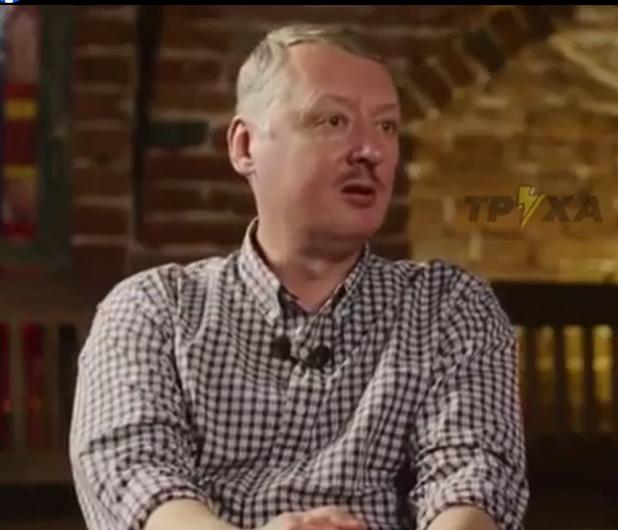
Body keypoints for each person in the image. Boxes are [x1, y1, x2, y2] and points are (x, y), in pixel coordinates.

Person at [69, 23, 529, 530]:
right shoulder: (154, 308)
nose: (371, 150)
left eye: (386, 126)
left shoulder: (449, 307)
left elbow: (473, 477)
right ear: (245, 145)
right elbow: (134, 472)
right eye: (333, 120)